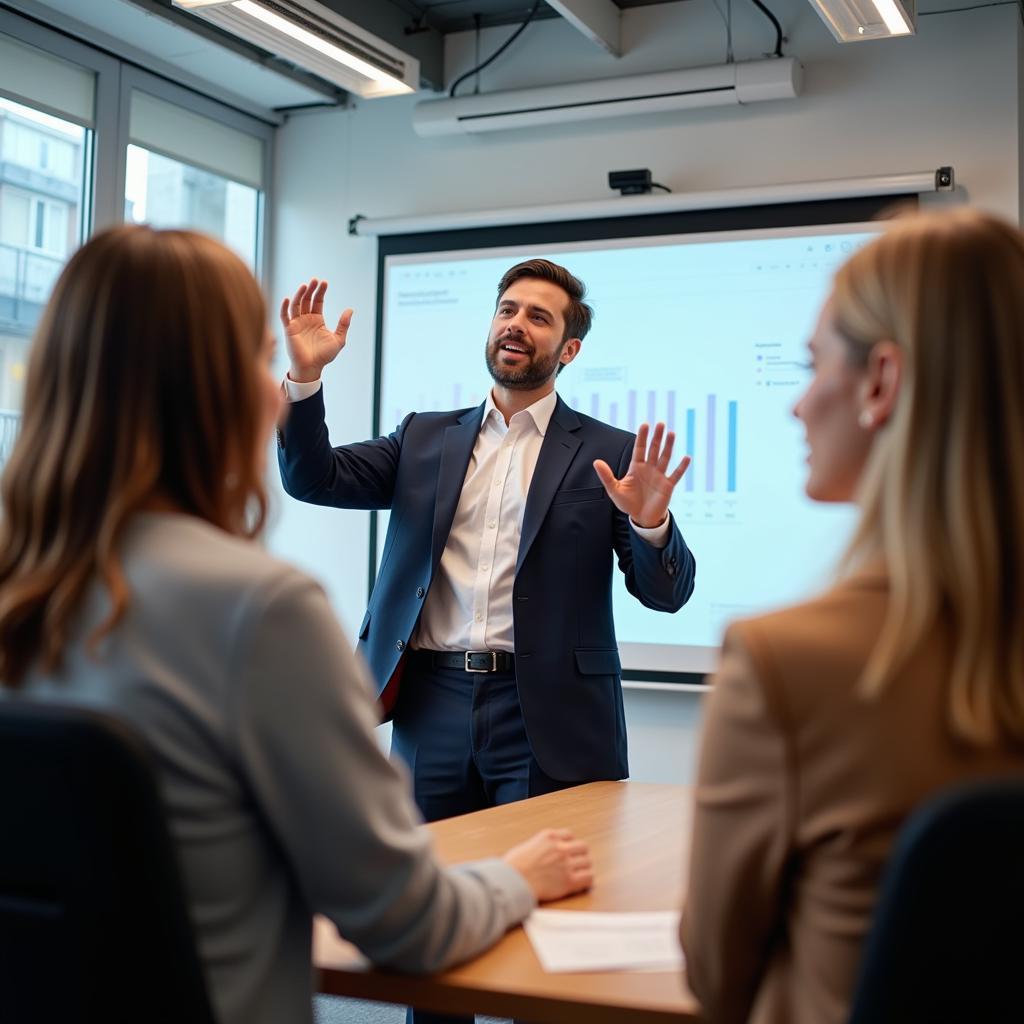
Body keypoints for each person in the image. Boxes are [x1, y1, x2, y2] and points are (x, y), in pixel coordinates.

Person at [0, 226, 595, 1024]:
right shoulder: (263, 609)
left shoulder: (24, 584)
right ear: (223, 390)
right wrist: (522, 875)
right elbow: (403, 921)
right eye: (259, 358)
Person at [680, 208, 1024, 1024]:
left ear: (882, 384)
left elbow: (716, 980)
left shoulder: (786, 664)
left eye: (811, 366)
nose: (798, 406)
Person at [277, 259, 697, 825]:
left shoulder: (610, 452)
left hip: (548, 713)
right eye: (508, 310)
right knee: (425, 882)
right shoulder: (422, 436)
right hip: (431, 703)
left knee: (547, 890)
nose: (516, 323)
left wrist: (652, 523)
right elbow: (313, 478)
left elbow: (666, 595)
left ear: (568, 350)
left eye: (539, 317)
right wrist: (304, 381)